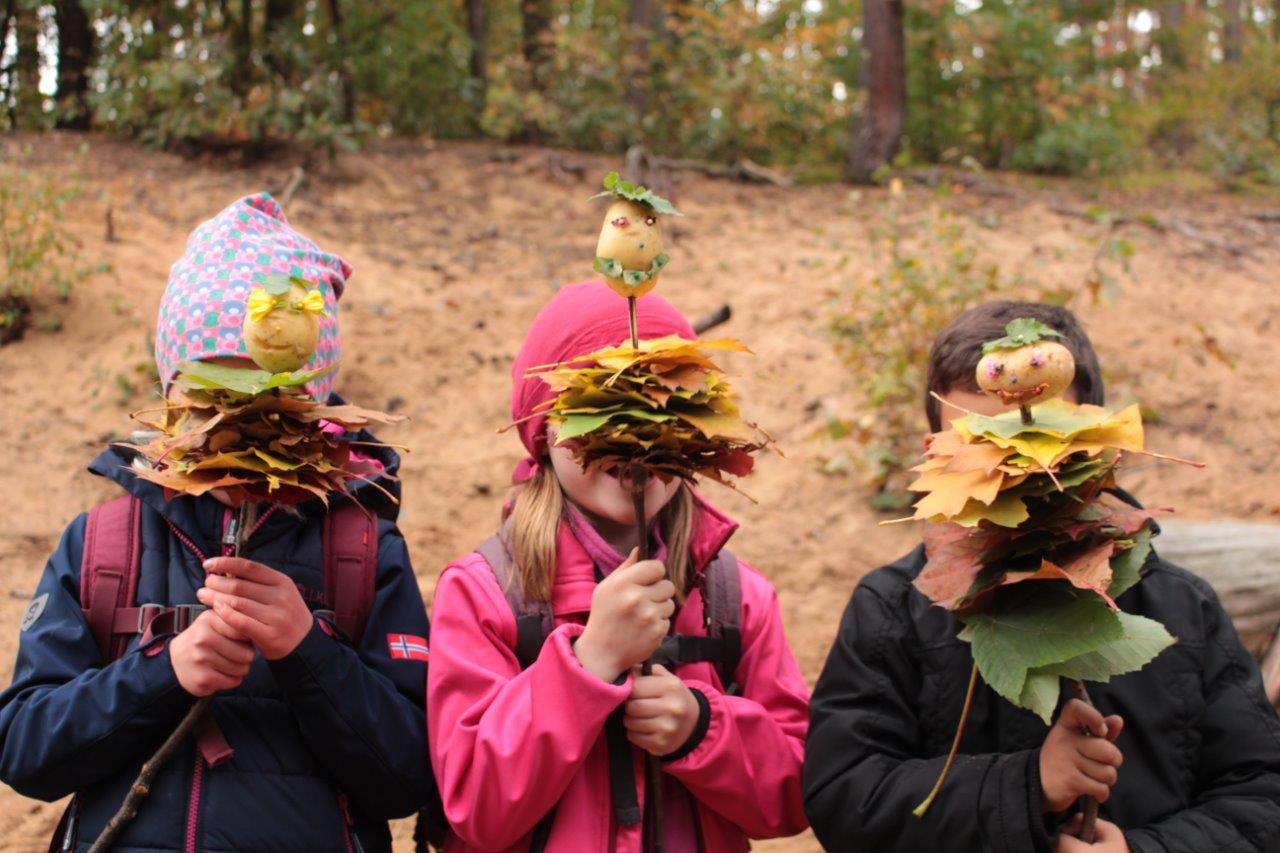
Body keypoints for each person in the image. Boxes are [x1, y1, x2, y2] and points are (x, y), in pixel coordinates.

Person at [0, 193, 434, 852]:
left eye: (268, 413)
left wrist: (308, 652)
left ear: (312, 409)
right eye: (210, 406)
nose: (236, 440)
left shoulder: (363, 548)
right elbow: (24, 750)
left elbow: (410, 776)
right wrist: (160, 672)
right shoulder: (102, 545)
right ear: (170, 396)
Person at [804, 300, 1280, 853]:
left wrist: (1143, 850)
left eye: (1040, 444)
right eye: (981, 446)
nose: (1013, 474)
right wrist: (1028, 785)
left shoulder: (1181, 607)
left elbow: (1263, 799)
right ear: (936, 452)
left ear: (1095, 436)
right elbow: (845, 800)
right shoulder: (894, 609)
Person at [427, 281, 810, 851]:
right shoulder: (484, 593)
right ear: (544, 430)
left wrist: (703, 730)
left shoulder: (736, 596)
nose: (636, 441)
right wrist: (589, 664)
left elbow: (798, 795)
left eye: (669, 412)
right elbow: (476, 807)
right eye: (602, 410)